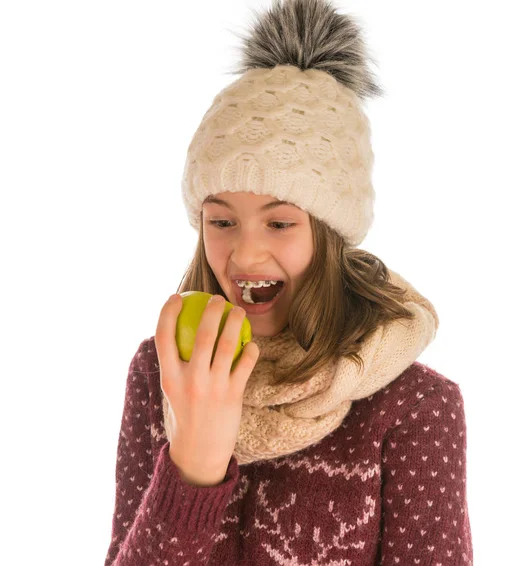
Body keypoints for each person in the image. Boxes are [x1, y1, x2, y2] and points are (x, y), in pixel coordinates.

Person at [104, 0, 473, 564]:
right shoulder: (160, 376)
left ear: (329, 234)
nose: (245, 253)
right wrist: (193, 469)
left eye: (280, 223)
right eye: (221, 222)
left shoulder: (414, 407)